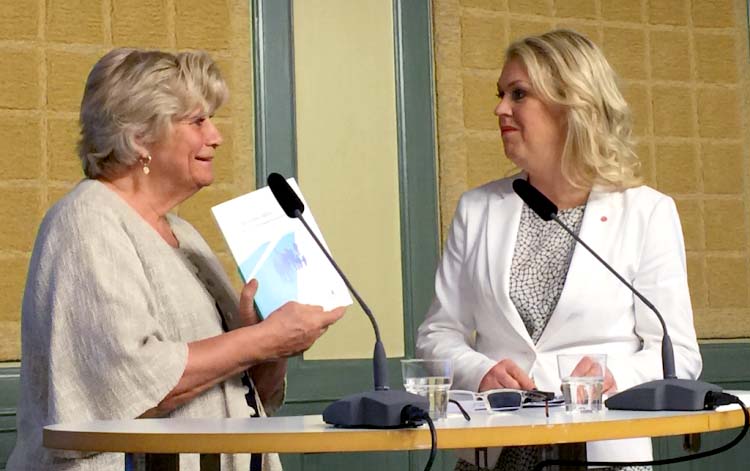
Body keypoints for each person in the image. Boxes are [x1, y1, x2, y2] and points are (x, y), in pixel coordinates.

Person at [8, 48, 344, 471]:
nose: (216, 137)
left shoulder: (185, 235)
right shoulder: (86, 220)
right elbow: (126, 384)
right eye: (197, 121)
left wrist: (273, 347)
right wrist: (262, 339)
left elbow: (239, 395)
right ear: (138, 137)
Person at [416, 30, 702, 471]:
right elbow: (437, 334)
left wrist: (615, 376)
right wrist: (480, 372)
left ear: (572, 105)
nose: (500, 108)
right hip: (492, 451)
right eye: (500, 94)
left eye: (518, 94)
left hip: (602, 452)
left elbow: (678, 355)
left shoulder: (646, 212)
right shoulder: (477, 208)